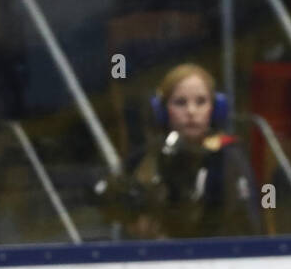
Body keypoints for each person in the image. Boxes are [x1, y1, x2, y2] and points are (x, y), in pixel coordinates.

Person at [98, 63, 262, 239]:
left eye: (201, 102)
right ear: (162, 110)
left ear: (215, 109)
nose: (191, 111)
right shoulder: (147, 156)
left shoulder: (228, 155)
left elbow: (245, 225)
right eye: (180, 103)